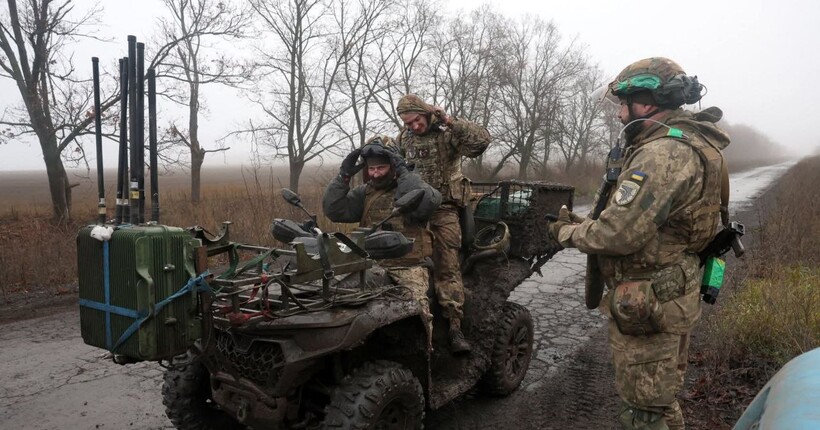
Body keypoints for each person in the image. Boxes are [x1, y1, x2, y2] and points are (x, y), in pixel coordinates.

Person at [547, 57, 731, 430]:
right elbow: (655, 222)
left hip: (653, 303)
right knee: (660, 404)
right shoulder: (690, 140)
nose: (618, 115)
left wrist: (566, 233)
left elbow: (616, 235)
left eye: (622, 105)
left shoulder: (661, 153)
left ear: (645, 102)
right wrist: (593, 221)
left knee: (644, 414)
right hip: (673, 292)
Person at [392, 94, 491, 354]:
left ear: (425, 113)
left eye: (415, 120)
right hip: (415, 209)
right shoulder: (404, 139)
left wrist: (449, 120)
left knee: (447, 264)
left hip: (444, 208)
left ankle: (454, 326)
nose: (413, 127)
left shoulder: (447, 133)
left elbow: (481, 142)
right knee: (401, 258)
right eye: (407, 123)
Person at [322, 136, 441, 350]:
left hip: (407, 266)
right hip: (370, 264)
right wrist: (344, 176)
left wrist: (406, 173)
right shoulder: (366, 193)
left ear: (394, 166)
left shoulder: (417, 186)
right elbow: (334, 209)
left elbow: (426, 204)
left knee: (416, 311)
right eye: (371, 169)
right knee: (338, 303)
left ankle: (425, 356)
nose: (375, 174)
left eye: (381, 168)